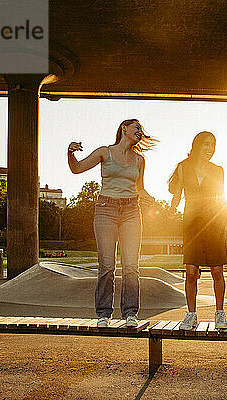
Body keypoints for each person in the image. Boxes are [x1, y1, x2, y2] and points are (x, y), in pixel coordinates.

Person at [67, 119, 156, 328]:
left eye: (141, 130)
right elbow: (77, 168)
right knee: (107, 265)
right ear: (124, 128)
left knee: (131, 265)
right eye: (137, 128)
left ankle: (131, 313)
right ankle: (104, 314)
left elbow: (139, 188)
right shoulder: (104, 152)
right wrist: (70, 153)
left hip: (131, 210)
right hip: (106, 209)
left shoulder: (139, 160)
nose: (140, 132)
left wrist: (149, 198)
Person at [168, 131, 227, 331]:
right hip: (191, 224)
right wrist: (171, 209)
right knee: (190, 271)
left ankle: (220, 313)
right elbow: (177, 193)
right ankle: (191, 315)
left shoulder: (218, 170)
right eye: (206, 144)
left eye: (213, 145)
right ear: (197, 145)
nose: (210, 149)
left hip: (214, 223)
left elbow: (223, 199)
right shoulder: (183, 167)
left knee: (217, 270)